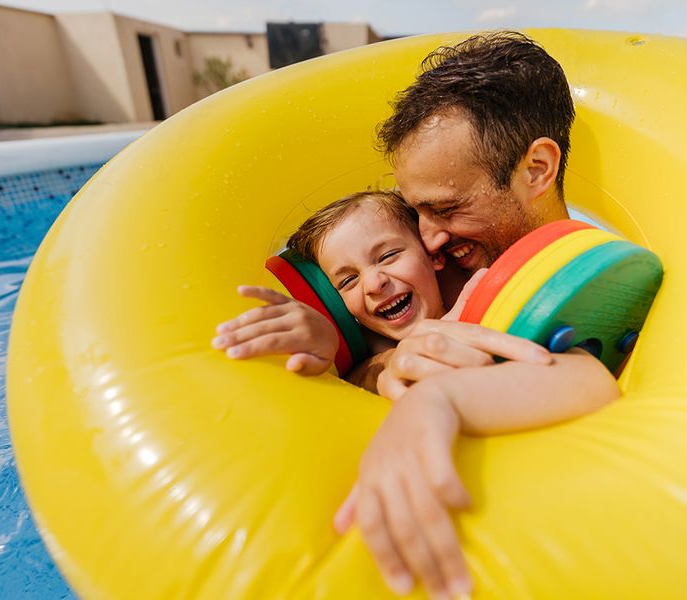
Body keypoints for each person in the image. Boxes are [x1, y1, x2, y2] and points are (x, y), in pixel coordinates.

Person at [332, 32, 620, 599]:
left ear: (537, 168)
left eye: (446, 208)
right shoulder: (451, 266)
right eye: (415, 214)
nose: (430, 240)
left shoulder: (588, 266)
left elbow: (588, 373)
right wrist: (362, 360)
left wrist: (434, 400)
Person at [212, 190, 549, 375]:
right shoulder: (373, 353)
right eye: (348, 281)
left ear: (433, 255)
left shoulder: (483, 288)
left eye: (387, 256)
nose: (373, 283)